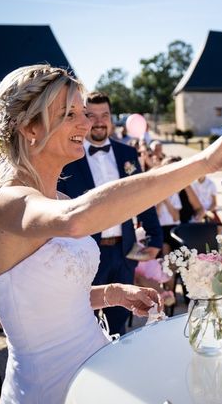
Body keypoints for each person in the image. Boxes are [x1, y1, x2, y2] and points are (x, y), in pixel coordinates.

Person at [0, 64, 222, 404]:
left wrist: (110, 293)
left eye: (83, 113)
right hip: (49, 392)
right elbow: (76, 219)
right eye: (68, 114)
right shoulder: (7, 206)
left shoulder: (56, 197)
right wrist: (203, 161)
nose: (84, 124)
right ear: (29, 128)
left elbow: (38, 298)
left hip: (96, 365)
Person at [58, 92, 163, 336]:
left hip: (124, 251)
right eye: (91, 116)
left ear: (111, 118)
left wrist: (156, 239)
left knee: (119, 320)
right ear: (83, 118)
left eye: (104, 115)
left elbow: (142, 196)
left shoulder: (127, 154)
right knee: (84, 321)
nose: (99, 121)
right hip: (85, 252)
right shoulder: (67, 156)